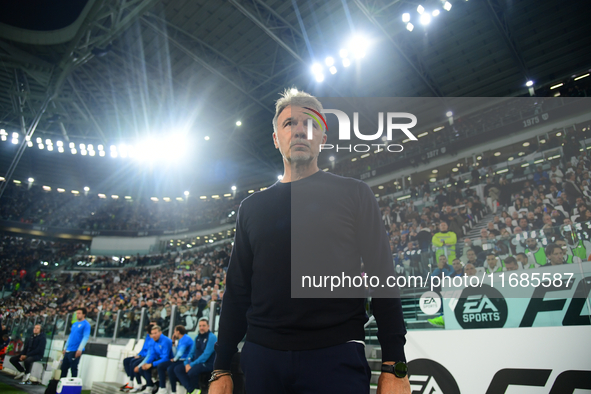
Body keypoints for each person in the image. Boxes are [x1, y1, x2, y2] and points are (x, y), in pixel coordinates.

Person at [209, 89, 410, 394]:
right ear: (276, 138)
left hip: (336, 357)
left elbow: (383, 276)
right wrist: (221, 367)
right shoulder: (251, 208)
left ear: (323, 137)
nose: (300, 129)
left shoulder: (355, 194)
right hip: (262, 359)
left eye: (310, 123)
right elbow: (237, 290)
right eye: (289, 123)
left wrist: (395, 365)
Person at [173, 319, 216, 394]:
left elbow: (206, 355)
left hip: (207, 363)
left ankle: (196, 389)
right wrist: (186, 363)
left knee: (192, 372)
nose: (201, 328)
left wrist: (191, 365)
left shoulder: (212, 337)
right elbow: (191, 353)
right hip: (196, 363)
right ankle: (192, 390)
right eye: (200, 326)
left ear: (208, 326)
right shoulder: (197, 337)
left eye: (203, 326)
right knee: (177, 369)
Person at [157, 325, 193, 394]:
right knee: (161, 366)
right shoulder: (180, 340)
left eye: (174, 331)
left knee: (170, 368)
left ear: (178, 332)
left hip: (185, 360)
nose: (174, 333)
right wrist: (173, 343)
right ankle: (162, 388)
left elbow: (180, 353)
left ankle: (173, 391)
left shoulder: (186, 339)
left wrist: (174, 359)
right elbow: (176, 353)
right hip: (179, 359)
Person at [139, 325, 173, 394]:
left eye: (155, 333)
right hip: (159, 359)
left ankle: (162, 388)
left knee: (160, 366)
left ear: (160, 333)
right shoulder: (152, 341)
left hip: (169, 360)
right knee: (142, 368)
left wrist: (151, 364)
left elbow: (165, 357)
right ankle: (150, 386)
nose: (154, 335)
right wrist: (147, 363)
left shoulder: (166, 341)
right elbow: (152, 355)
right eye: (152, 333)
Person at [61, 308, 91, 378]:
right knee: (63, 368)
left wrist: (80, 349)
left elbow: (85, 337)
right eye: (77, 313)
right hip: (69, 349)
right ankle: (61, 385)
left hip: (75, 350)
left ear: (84, 314)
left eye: (79, 313)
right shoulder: (74, 324)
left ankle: (73, 386)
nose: (77, 315)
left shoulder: (86, 324)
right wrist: (65, 347)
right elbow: (70, 336)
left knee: (73, 368)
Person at [126, 323, 156, 393]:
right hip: (146, 356)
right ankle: (132, 381)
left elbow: (150, 354)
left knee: (136, 364)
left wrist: (141, 364)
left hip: (151, 358)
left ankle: (149, 385)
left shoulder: (154, 340)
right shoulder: (148, 338)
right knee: (129, 361)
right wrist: (139, 355)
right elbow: (145, 350)